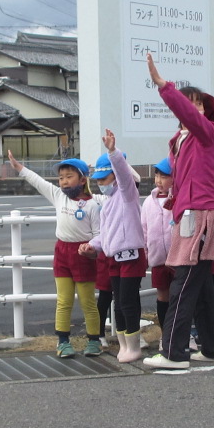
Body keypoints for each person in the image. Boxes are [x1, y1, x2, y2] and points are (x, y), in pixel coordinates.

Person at [142, 53, 214, 371]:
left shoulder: (208, 133)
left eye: (197, 103)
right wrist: (173, 200)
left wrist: (164, 86)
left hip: (200, 216)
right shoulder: (181, 141)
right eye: (187, 102)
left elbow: (190, 116)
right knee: (202, 284)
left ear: (206, 111)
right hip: (194, 213)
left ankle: (173, 351)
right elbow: (190, 181)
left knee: (182, 279)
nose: (190, 108)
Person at [9, 147, 103, 357]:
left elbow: (98, 234)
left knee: (88, 301)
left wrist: (92, 249)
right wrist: (19, 168)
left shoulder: (93, 205)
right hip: (62, 252)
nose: (64, 181)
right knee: (64, 300)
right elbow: (38, 181)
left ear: (82, 180)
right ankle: (63, 342)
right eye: (61, 178)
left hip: (83, 254)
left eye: (69, 177)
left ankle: (94, 341)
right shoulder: (58, 195)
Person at [85, 130, 147, 363]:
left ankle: (133, 345)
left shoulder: (127, 195)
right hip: (114, 258)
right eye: (98, 181)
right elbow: (106, 234)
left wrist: (113, 152)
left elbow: (124, 175)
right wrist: (92, 245)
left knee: (128, 302)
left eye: (104, 179)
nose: (101, 184)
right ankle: (124, 345)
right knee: (118, 303)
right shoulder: (109, 203)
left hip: (130, 256)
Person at [142, 157, 175, 336]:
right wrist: (146, 254)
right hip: (158, 259)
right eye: (157, 176)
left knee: (179, 296)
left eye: (164, 176)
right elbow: (144, 229)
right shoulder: (149, 202)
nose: (158, 180)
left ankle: (184, 333)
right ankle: (166, 333)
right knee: (162, 295)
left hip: (178, 258)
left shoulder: (179, 198)